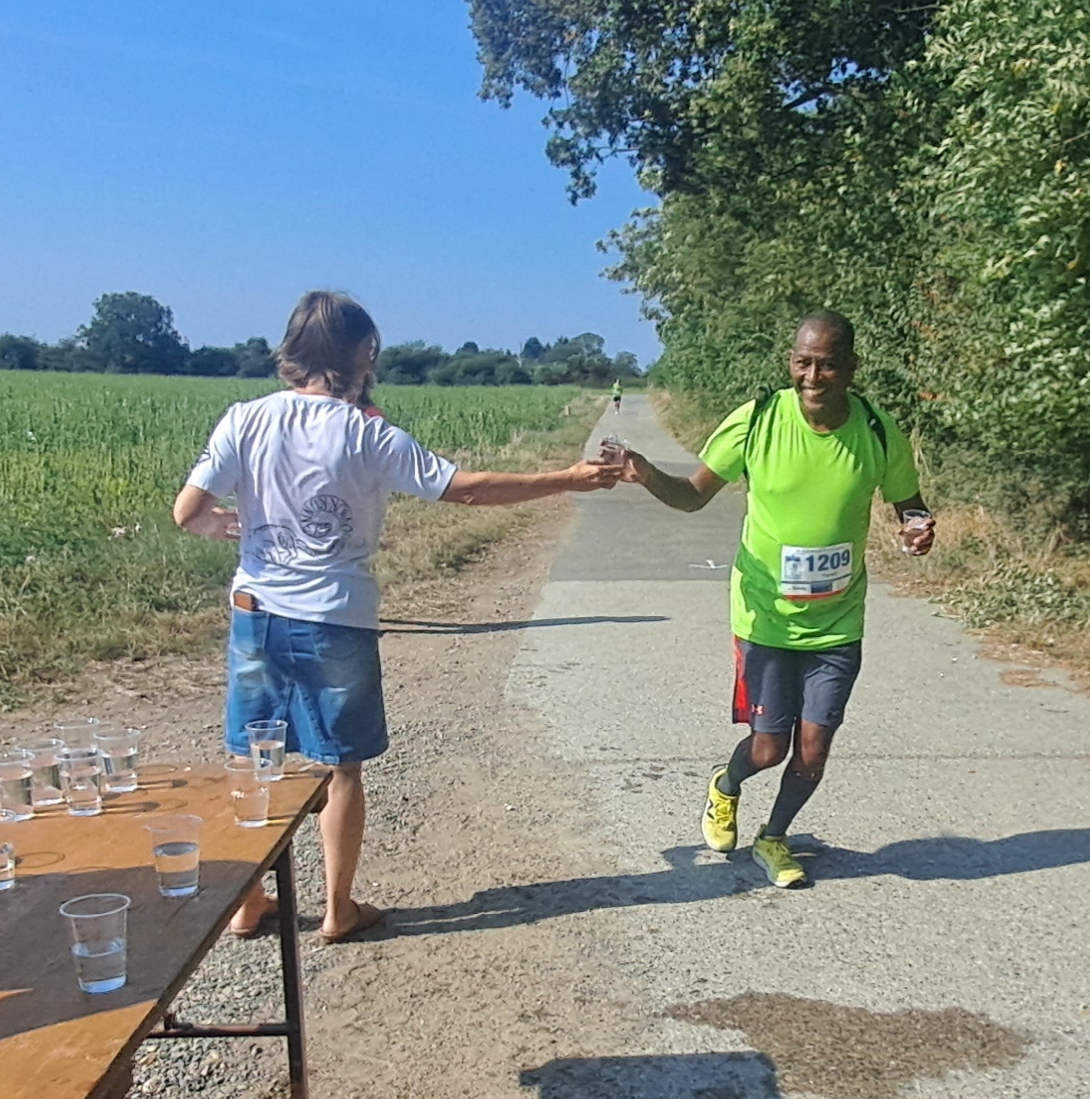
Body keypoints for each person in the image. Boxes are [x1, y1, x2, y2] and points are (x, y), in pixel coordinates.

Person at [174, 291, 619, 941]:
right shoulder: (366, 433)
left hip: (256, 612)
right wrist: (569, 479)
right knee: (341, 768)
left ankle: (248, 901)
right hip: (334, 617)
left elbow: (187, 511)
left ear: (292, 351)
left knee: (253, 760)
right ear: (364, 353)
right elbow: (467, 491)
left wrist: (221, 525)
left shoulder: (244, 419)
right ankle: (337, 908)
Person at [615, 312, 935, 888]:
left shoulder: (876, 428)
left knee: (812, 751)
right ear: (790, 362)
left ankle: (774, 837)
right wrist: (645, 473)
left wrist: (917, 527)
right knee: (767, 749)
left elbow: (909, 504)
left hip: (837, 622)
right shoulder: (758, 421)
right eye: (802, 362)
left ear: (851, 368)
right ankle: (726, 785)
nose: (812, 377)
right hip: (764, 617)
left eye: (827, 365)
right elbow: (692, 497)